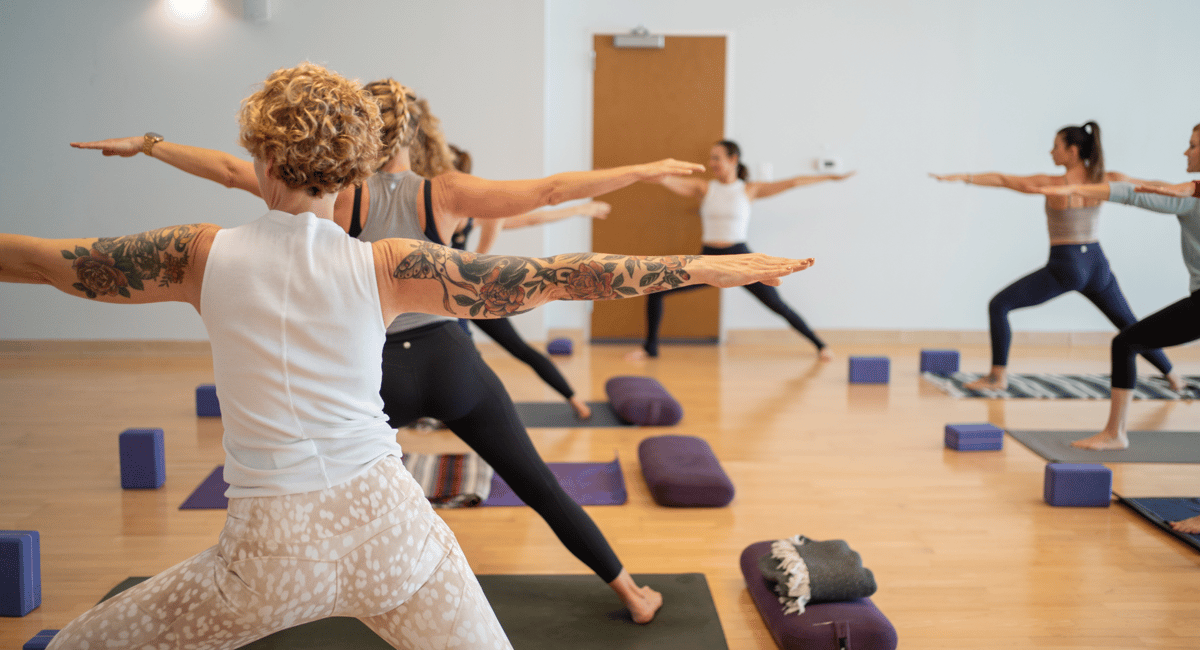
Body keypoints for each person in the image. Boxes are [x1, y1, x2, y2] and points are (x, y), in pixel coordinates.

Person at [6, 63, 813, 647]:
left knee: (83, 643)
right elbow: (557, 275)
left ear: (262, 159)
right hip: (395, 540)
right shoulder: (386, 265)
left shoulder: (198, 253)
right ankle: (626, 583)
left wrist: (151, 144)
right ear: (353, 164)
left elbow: (44, 262)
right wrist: (705, 267)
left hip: (266, 558)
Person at [931, 122, 1182, 392]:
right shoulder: (1106, 178)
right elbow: (1152, 185)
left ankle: (997, 377)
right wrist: (1191, 189)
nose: (1051, 152)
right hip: (1097, 265)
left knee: (999, 305)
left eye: (1056, 147)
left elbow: (1003, 180)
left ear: (1072, 151)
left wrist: (964, 176)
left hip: (1067, 264)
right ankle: (1173, 376)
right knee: (1129, 324)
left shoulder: (1053, 184)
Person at [1036, 124, 1200, 455]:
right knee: (1128, 340)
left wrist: (1075, 189)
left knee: (1126, 342)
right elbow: (1152, 188)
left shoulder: (1188, 199)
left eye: (1193, 146)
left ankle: (1115, 433)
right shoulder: (1188, 195)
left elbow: (1132, 194)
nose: (1186, 151)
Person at [627, 139, 852, 361]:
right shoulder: (704, 188)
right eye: (711, 158)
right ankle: (650, 348)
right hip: (709, 259)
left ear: (733, 159)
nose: (711, 163)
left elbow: (793, 182)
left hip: (741, 258)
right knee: (656, 288)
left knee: (777, 305)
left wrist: (831, 177)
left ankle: (821, 345)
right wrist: (633, 173)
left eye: (716, 158)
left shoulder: (749, 189)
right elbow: (666, 179)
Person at [446, 144, 611, 420]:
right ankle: (455, 409)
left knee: (515, 348)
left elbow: (532, 219)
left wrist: (579, 209)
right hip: (450, 295)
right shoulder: (447, 211)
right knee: (463, 355)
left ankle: (573, 398)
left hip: (469, 294)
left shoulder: (470, 214)